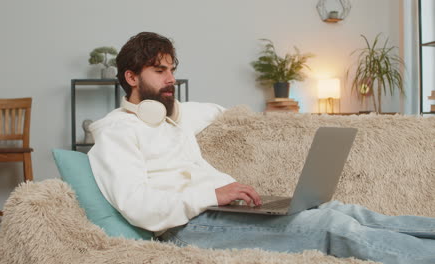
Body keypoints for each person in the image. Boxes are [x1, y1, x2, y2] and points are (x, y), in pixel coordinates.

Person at [88, 32, 435, 264]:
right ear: (131, 77)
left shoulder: (168, 117)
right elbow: (138, 206)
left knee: (348, 211)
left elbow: (215, 111)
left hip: (222, 212)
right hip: (188, 226)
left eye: (172, 70)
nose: (171, 79)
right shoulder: (115, 134)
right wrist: (211, 194)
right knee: (332, 226)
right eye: (159, 71)